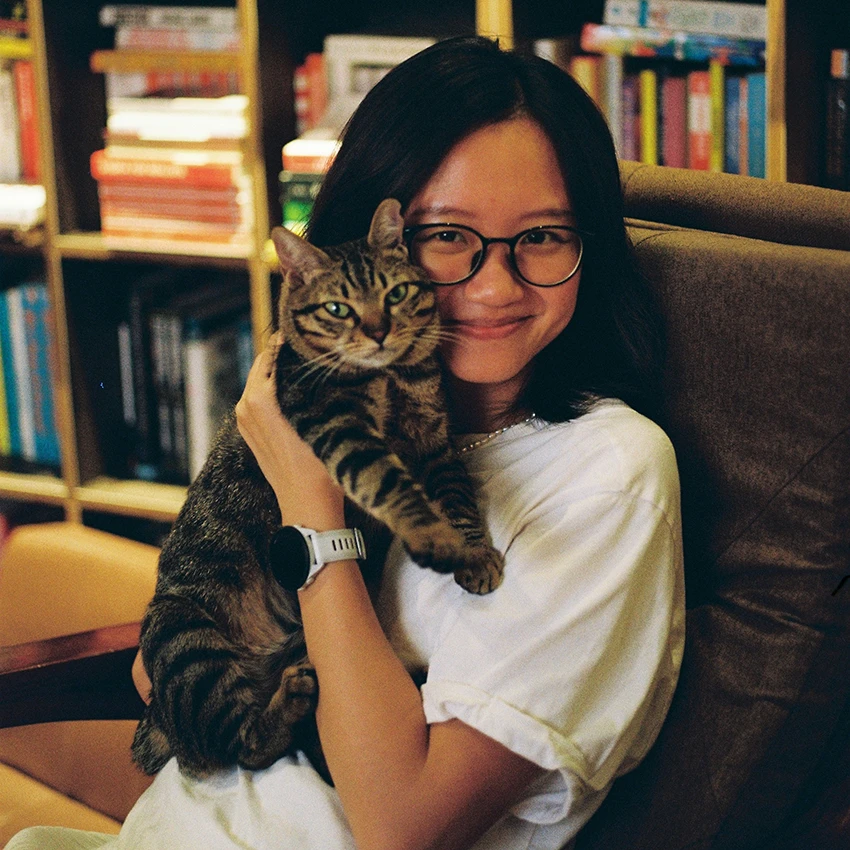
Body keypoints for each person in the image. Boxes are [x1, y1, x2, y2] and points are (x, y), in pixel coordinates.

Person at [7, 35, 684, 850]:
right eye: (447, 236)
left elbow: (399, 825)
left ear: (590, 248)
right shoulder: (351, 398)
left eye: (542, 236)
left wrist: (310, 507)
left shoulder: (608, 475)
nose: (495, 285)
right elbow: (159, 668)